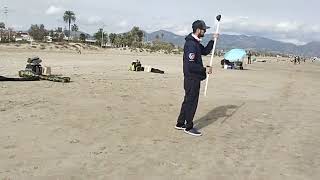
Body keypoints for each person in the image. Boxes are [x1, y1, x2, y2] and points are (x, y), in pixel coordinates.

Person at [175, 20, 218, 136]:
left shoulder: (195, 43)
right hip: (192, 78)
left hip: (192, 78)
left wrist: (212, 41)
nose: (205, 31)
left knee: (187, 100)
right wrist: (204, 69)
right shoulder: (191, 44)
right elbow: (191, 65)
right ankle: (188, 127)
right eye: (204, 30)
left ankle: (180, 123)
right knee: (192, 102)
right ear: (198, 30)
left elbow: (204, 51)